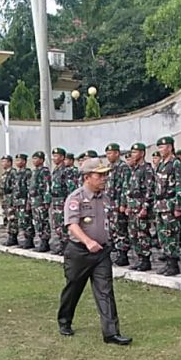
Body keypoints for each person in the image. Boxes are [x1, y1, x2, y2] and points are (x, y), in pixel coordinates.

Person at [57, 158, 132, 345]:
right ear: (87, 177)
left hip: (101, 253)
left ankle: (111, 333)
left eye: (105, 174)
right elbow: (72, 225)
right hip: (79, 252)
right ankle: (65, 320)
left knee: (105, 291)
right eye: (100, 175)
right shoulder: (76, 198)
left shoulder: (105, 198)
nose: (104, 178)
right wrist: (88, 241)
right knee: (73, 288)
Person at [153, 136, 181, 276]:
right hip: (160, 205)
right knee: (162, 235)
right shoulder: (161, 164)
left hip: (170, 204)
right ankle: (167, 262)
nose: (160, 150)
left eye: (163, 147)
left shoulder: (175, 164)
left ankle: (173, 265)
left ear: (170, 147)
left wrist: (178, 206)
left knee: (171, 234)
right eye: (159, 147)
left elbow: (180, 186)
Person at [123, 142, 157, 271]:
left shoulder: (146, 169)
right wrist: (127, 205)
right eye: (132, 152)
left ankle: (146, 260)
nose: (133, 154)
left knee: (143, 234)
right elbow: (130, 190)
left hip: (141, 206)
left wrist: (145, 207)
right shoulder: (134, 169)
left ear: (142, 153)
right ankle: (140, 258)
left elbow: (150, 189)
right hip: (132, 207)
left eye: (135, 152)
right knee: (133, 235)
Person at [105, 143, 132, 266]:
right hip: (109, 202)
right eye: (107, 154)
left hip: (118, 202)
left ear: (117, 153)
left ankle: (123, 254)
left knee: (121, 228)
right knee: (111, 229)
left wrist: (123, 204)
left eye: (110, 153)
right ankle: (114, 252)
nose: (108, 156)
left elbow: (125, 187)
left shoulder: (123, 167)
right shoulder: (108, 167)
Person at [50, 146, 79, 255]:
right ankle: (62, 245)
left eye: (56, 156)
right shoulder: (56, 170)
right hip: (56, 201)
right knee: (57, 224)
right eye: (53, 156)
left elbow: (70, 188)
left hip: (63, 201)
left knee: (64, 224)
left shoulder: (66, 171)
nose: (54, 158)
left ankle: (68, 246)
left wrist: (69, 202)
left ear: (62, 157)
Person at [29, 150, 53, 252]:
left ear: (42, 160)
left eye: (36, 158)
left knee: (43, 220)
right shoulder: (34, 171)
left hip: (41, 200)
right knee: (37, 221)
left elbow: (47, 186)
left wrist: (47, 200)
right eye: (33, 158)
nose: (34, 161)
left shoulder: (44, 171)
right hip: (34, 200)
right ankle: (40, 240)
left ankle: (45, 241)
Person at [12, 154, 34, 248]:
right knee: (21, 221)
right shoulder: (17, 173)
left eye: (19, 160)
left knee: (27, 221)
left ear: (24, 162)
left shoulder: (27, 173)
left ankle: (29, 240)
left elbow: (29, 188)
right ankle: (24, 239)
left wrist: (29, 202)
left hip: (24, 200)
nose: (17, 162)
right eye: (16, 160)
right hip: (18, 201)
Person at [0, 155, 18, 246]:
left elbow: (14, 187)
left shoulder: (12, 173)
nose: (3, 163)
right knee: (6, 217)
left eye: (5, 161)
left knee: (12, 218)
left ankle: (13, 236)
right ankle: (9, 235)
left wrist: (13, 200)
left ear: (9, 162)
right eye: (2, 161)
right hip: (4, 199)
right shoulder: (5, 173)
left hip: (10, 199)